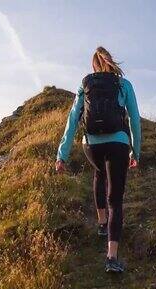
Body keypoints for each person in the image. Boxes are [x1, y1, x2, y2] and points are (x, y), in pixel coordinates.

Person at [55, 46, 141, 273]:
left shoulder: (86, 84)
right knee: (116, 199)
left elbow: (73, 118)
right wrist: (136, 151)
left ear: (94, 65)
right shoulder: (124, 85)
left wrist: (61, 154)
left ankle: (102, 223)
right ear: (111, 62)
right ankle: (111, 258)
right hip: (118, 144)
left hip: (91, 145)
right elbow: (134, 119)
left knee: (99, 172)